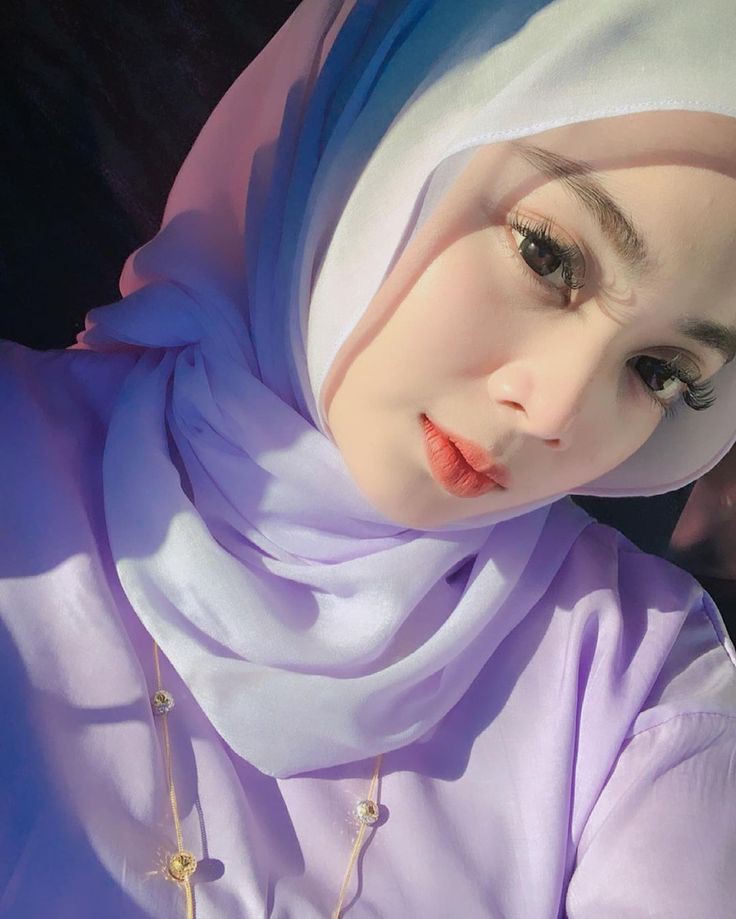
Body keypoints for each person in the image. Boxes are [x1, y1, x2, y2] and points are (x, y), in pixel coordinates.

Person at [1, 0, 735, 916]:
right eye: (547, 256)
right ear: (383, 138)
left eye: (660, 371)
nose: (555, 409)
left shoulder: (639, 674)